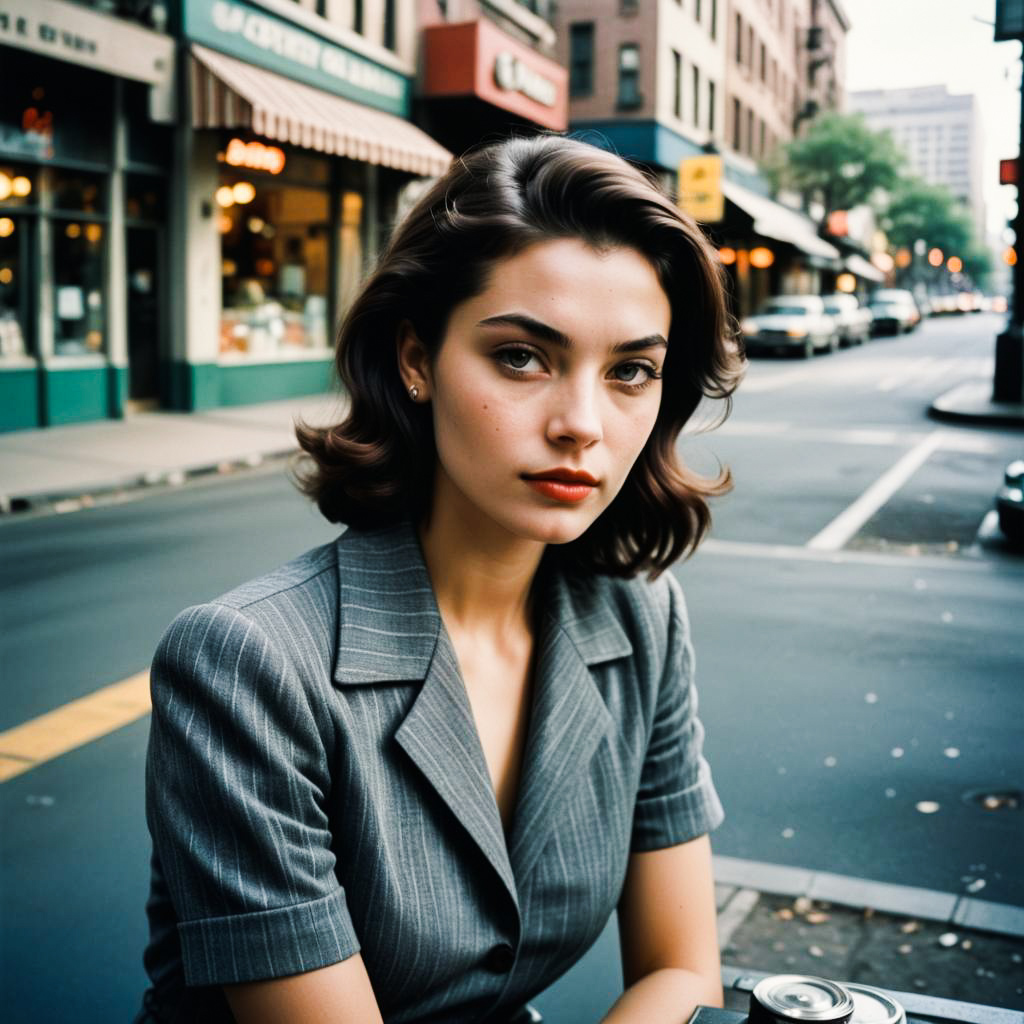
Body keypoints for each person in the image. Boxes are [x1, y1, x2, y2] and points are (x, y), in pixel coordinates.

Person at [135, 132, 744, 1024]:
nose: (583, 423)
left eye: (630, 371)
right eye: (522, 357)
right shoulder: (249, 664)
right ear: (417, 360)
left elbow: (685, 974)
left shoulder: (642, 618)